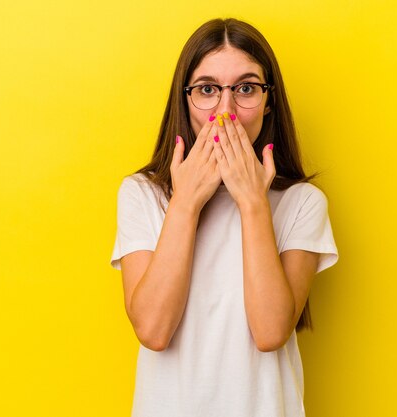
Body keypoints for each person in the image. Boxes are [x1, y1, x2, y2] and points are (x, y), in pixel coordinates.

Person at [110, 17, 338, 417]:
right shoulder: (142, 194)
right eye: (208, 89)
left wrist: (252, 202)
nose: (225, 111)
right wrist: (185, 203)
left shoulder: (303, 202)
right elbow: (153, 330)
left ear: (269, 102)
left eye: (246, 88)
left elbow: (270, 333)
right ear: (185, 99)